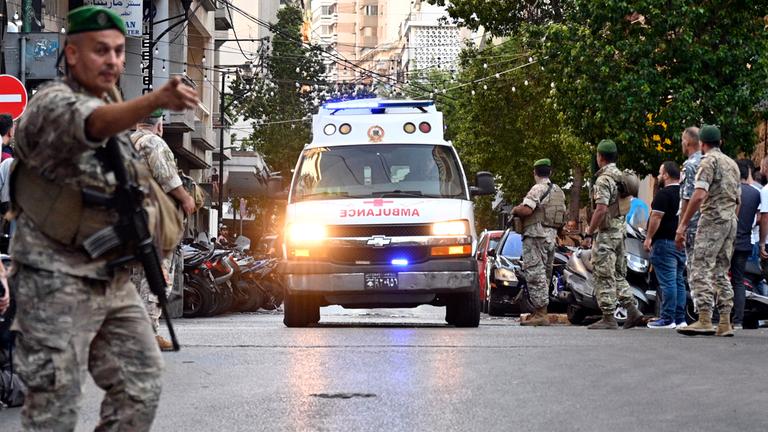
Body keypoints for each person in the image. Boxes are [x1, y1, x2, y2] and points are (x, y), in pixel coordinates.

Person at [9, 6, 198, 430]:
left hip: (111, 277)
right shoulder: (51, 105)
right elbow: (90, 124)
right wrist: (154, 100)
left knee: (140, 383)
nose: (113, 60)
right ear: (72, 54)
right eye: (100, 51)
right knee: (55, 406)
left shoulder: (116, 121)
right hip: (53, 279)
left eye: (118, 51)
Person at [130, 109, 195, 351]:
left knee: (135, 277)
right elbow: (167, 177)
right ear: (159, 126)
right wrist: (186, 199)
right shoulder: (153, 142)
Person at [675, 125, 740, 337]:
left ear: (702, 144)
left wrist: (683, 223)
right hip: (730, 220)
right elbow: (738, 199)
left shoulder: (708, 161)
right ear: (720, 142)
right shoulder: (732, 164)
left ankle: (704, 318)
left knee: (700, 267)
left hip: (712, 220)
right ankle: (724, 321)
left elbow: (699, 194)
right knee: (721, 270)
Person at [581, 139, 645, 330]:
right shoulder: (621, 176)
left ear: (600, 157)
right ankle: (632, 310)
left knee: (604, 274)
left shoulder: (604, 180)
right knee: (617, 274)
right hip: (621, 231)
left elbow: (601, 209)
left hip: (607, 233)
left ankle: (608, 316)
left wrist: (589, 231)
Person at [511, 158, 566, 326]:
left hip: (536, 235)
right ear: (550, 172)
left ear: (535, 172)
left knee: (535, 273)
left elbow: (527, 209)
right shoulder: (558, 191)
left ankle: (540, 313)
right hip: (551, 236)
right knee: (545, 274)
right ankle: (541, 311)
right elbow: (562, 215)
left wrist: (515, 210)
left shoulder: (538, 188)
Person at [644, 162, 686, 328]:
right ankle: (680, 318)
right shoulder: (684, 194)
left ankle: (667, 318)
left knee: (668, 282)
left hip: (664, 243)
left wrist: (648, 238)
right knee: (678, 281)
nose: (659, 176)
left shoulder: (664, 194)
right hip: (680, 243)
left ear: (667, 175)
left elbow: (656, 217)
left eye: (660, 173)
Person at [730, 159, 761, 329]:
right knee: (738, 281)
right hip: (745, 241)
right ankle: (738, 320)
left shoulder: (731, 191)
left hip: (728, 241)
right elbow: (758, 218)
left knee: (721, 278)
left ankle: (722, 316)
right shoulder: (755, 194)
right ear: (747, 173)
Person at [677, 127, 702, 268]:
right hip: (711, 226)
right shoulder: (710, 161)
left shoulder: (690, 165)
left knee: (695, 274)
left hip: (693, 227)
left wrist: (681, 227)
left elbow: (687, 198)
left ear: (687, 143)